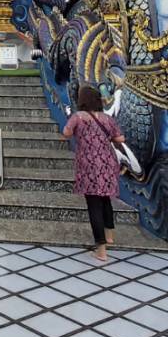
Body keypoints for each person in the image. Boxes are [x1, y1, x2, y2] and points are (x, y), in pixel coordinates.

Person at [62, 83, 125, 263]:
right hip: (106, 163)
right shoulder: (106, 118)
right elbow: (120, 138)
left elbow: (66, 133)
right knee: (105, 199)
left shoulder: (78, 117)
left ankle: (101, 251)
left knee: (93, 204)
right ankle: (110, 235)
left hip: (88, 165)